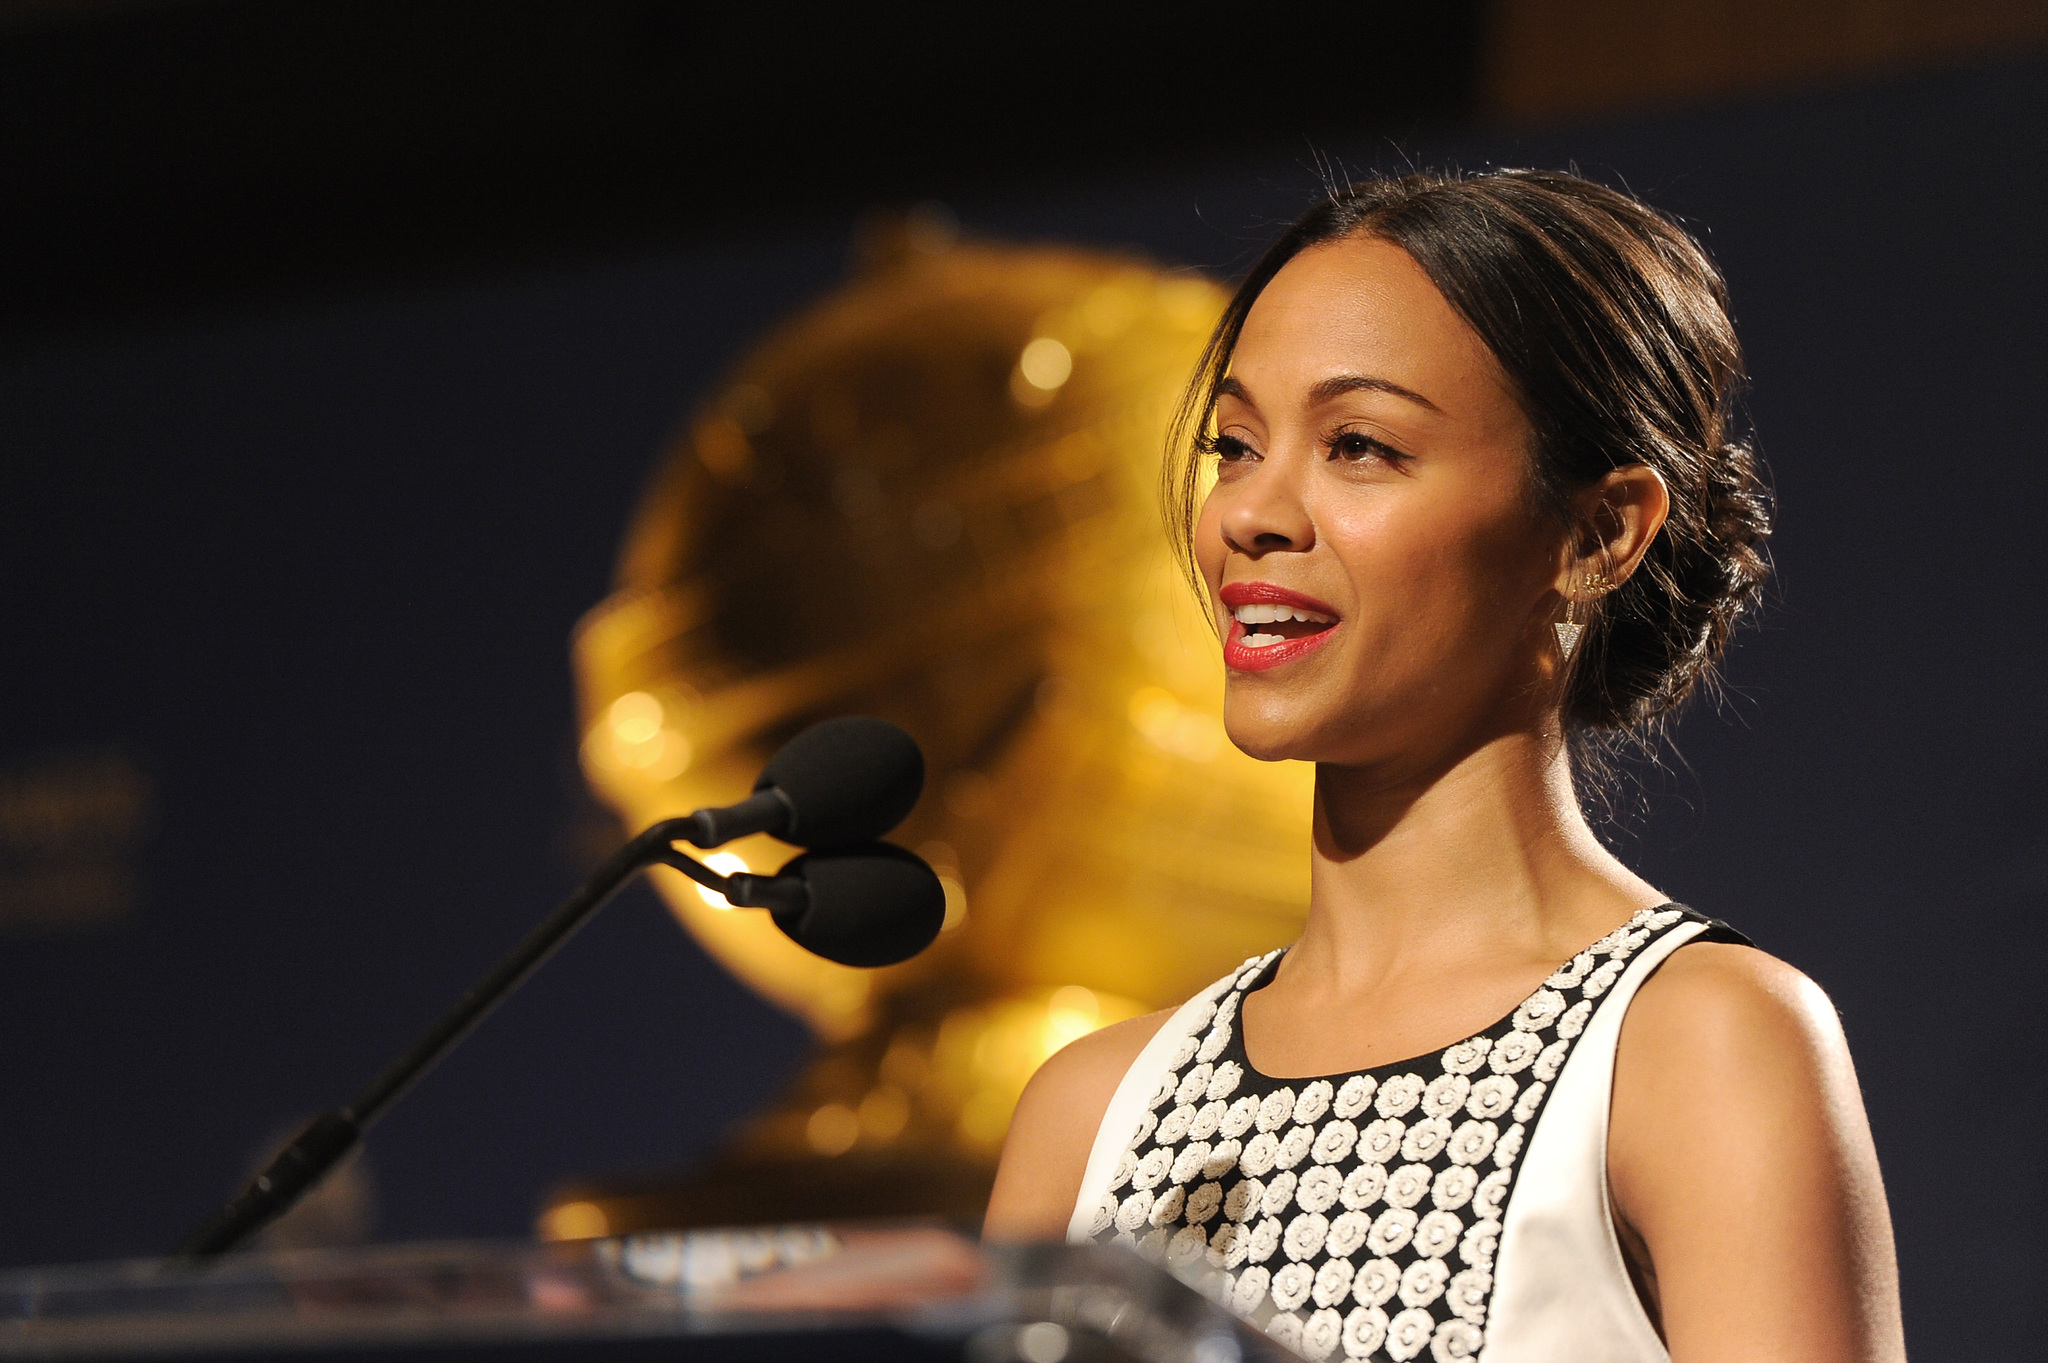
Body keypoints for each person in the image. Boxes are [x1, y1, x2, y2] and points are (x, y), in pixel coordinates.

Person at [982, 171, 1905, 1363]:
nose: (1251, 513)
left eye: (1358, 446)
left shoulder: (1696, 1044)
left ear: (1594, 533)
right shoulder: (1088, 1113)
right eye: (1233, 443)